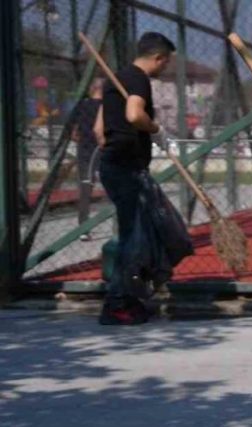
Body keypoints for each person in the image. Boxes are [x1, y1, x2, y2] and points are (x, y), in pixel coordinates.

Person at [93, 32, 176, 326]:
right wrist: (154, 130)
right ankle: (117, 304)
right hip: (127, 167)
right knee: (133, 239)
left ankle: (128, 298)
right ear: (158, 58)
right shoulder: (139, 78)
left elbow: (99, 132)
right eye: (165, 63)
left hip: (113, 165)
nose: (164, 69)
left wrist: (116, 144)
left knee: (135, 234)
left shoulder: (116, 79)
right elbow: (134, 115)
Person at [73, 78, 103, 241]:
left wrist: (82, 138)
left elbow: (74, 132)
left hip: (85, 151)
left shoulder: (82, 105)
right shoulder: (107, 106)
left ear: (91, 89)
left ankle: (83, 229)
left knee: (85, 189)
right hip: (103, 149)